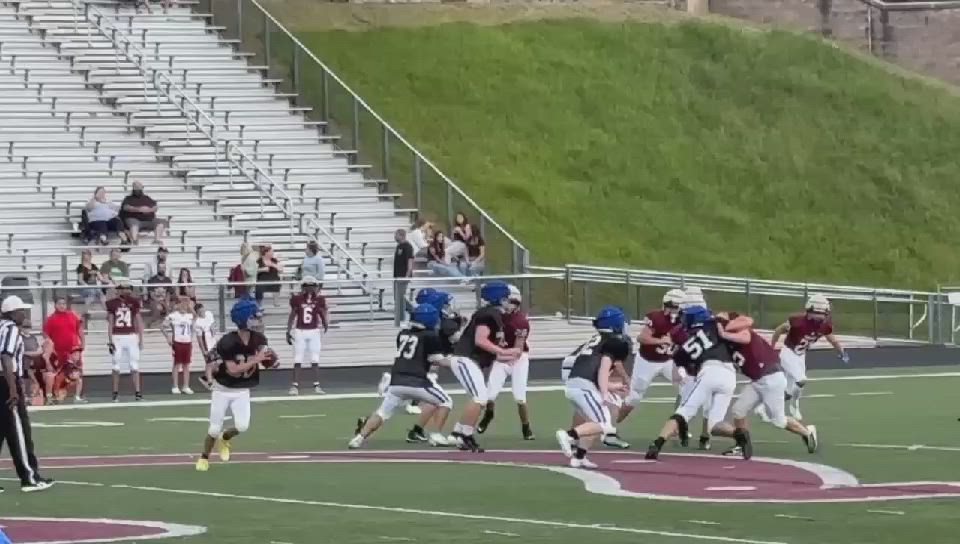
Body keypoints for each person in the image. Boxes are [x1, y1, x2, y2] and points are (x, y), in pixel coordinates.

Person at [644, 297, 750, 460]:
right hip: (729, 375)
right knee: (714, 425)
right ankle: (738, 433)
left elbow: (686, 366)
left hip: (708, 372)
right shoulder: (715, 325)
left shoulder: (684, 343)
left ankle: (657, 443)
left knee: (683, 412)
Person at [713, 311, 819, 459]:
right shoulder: (729, 341)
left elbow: (745, 337)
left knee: (779, 421)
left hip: (771, 379)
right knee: (738, 410)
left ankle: (807, 433)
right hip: (758, 380)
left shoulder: (743, 331)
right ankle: (741, 444)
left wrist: (723, 333)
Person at [349, 304, 453, 449]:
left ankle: (359, 438)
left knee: (382, 413)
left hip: (396, 381)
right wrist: (455, 362)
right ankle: (436, 435)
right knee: (446, 402)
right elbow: (437, 359)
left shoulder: (403, 333)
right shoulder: (430, 335)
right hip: (416, 381)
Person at [195, 298, 275, 472]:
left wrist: (271, 360)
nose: (259, 319)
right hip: (223, 389)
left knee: (242, 426)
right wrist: (256, 359)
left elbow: (268, 360)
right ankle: (204, 457)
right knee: (214, 429)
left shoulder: (259, 338)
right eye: (255, 316)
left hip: (242, 389)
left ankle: (225, 438)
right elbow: (233, 370)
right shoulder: (228, 341)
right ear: (244, 319)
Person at [554, 306, 631, 469]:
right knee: (603, 424)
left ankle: (579, 457)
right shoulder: (614, 343)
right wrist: (604, 393)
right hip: (584, 386)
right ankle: (568, 435)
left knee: (594, 423)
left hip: (577, 383)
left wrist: (612, 386)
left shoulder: (597, 340)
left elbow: (592, 371)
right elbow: (602, 371)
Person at [449, 281, 519, 452]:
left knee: (481, 397)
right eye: (507, 298)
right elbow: (480, 340)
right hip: (466, 359)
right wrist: (503, 351)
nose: (509, 302)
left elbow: (488, 346)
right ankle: (464, 434)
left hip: (470, 360)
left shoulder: (493, 314)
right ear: (499, 298)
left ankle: (459, 432)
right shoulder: (489, 314)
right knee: (480, 397)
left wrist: (504, 355)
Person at [0, 295, 54, 493]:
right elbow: (6, 357)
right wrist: (13, 388)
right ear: (12, 313)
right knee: (19, 431)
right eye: (21, 310)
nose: (24, 314)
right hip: (6, 382)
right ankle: (29, 478)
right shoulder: (11, 329)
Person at [769, 294, 848, 421]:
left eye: (823, 313)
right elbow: (779, 330)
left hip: (801, 356)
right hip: (788, 352)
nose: (821, 316)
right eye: (818, 312)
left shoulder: (825, 326)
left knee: (788, 392)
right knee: (801, 380)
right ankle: (794, 405)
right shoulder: (797, 321)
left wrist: (842, 352)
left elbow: (832, 340)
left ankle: (764, 406)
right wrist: (771, 347)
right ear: (810, 311)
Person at [616, 289, 684, 427]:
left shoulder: (684, 320)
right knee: (634, 397)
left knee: (687, 387)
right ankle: (611, 426)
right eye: (672, 306)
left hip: (668, 361)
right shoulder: (656, 317)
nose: (674, 310)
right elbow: (642, 338)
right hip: (647, 361)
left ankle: (677, 426)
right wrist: (660, 341)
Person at [479, 285, 534, 440]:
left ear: (515, 304)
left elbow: (517, 350)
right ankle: (489, 414)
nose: (505, 304)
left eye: (508, 301)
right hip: (500, 355)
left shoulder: (520, 321)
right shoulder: (493, 316)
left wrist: (498, 356)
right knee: (489, 395)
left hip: (517, 359)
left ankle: (526, 426)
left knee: (519, 396)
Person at [285, 276, 329, 396]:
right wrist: (288, 331)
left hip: (314, 331)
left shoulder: (319, 299)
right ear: (304, 287)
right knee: (298, 359)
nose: (311, 289)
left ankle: (316, 385)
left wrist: (325, 322)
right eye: (309, 286)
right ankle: (295, 386)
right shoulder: (297, 299)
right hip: (300, 331)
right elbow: (293, 314)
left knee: (315, 359)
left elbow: (320, 312)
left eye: (312, 286)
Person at [106, 280, 144, 402]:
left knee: (134, 365)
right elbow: (111, 323)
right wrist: (110, 340)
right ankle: (115, 393)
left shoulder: (134, 302)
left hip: (131, 336)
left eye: (127, 288)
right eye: (123, 288)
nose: (126, 290)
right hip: (117, 336)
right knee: (116, 366)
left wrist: (141, 339)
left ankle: (138, 393)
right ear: (119, 289)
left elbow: (138, 320)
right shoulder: (112, 303)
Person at [163, 296, 196, 395]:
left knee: (186, 364)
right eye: (182, 303)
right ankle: (175, 386)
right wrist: (168, 337)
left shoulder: (189, 316)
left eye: (185, 304)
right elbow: (163, 326)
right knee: (177, 364)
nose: (183, 305)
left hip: (187, 342)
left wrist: (190, 306)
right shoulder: (173, 316)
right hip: (177, 342)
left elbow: (196, 316)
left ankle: (186, 386)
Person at [392, 229, 415, 327]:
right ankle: (413, 311)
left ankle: (402, 318)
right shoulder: (398, 246)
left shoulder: (408, 247)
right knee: (397, 297)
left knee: (400, 297)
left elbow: (410, 261)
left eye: (396, 235)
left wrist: (407, 275)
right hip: (397, 276)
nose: (394, 237)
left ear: (401, 236)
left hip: (403, 276)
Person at [146, 262, 175, 327]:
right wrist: (160, 302)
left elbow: (168, 292)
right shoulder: (152, 280)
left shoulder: (168, 280)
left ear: (165, 269)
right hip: (154, 300)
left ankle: (166, 324)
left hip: (164, 300)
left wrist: (167, 302)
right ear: (157, 269)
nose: (162, 269)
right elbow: (152, 295)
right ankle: (151, 324)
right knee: (158, 308)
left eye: (163, 268)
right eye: (160, 267)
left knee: (172, 307)